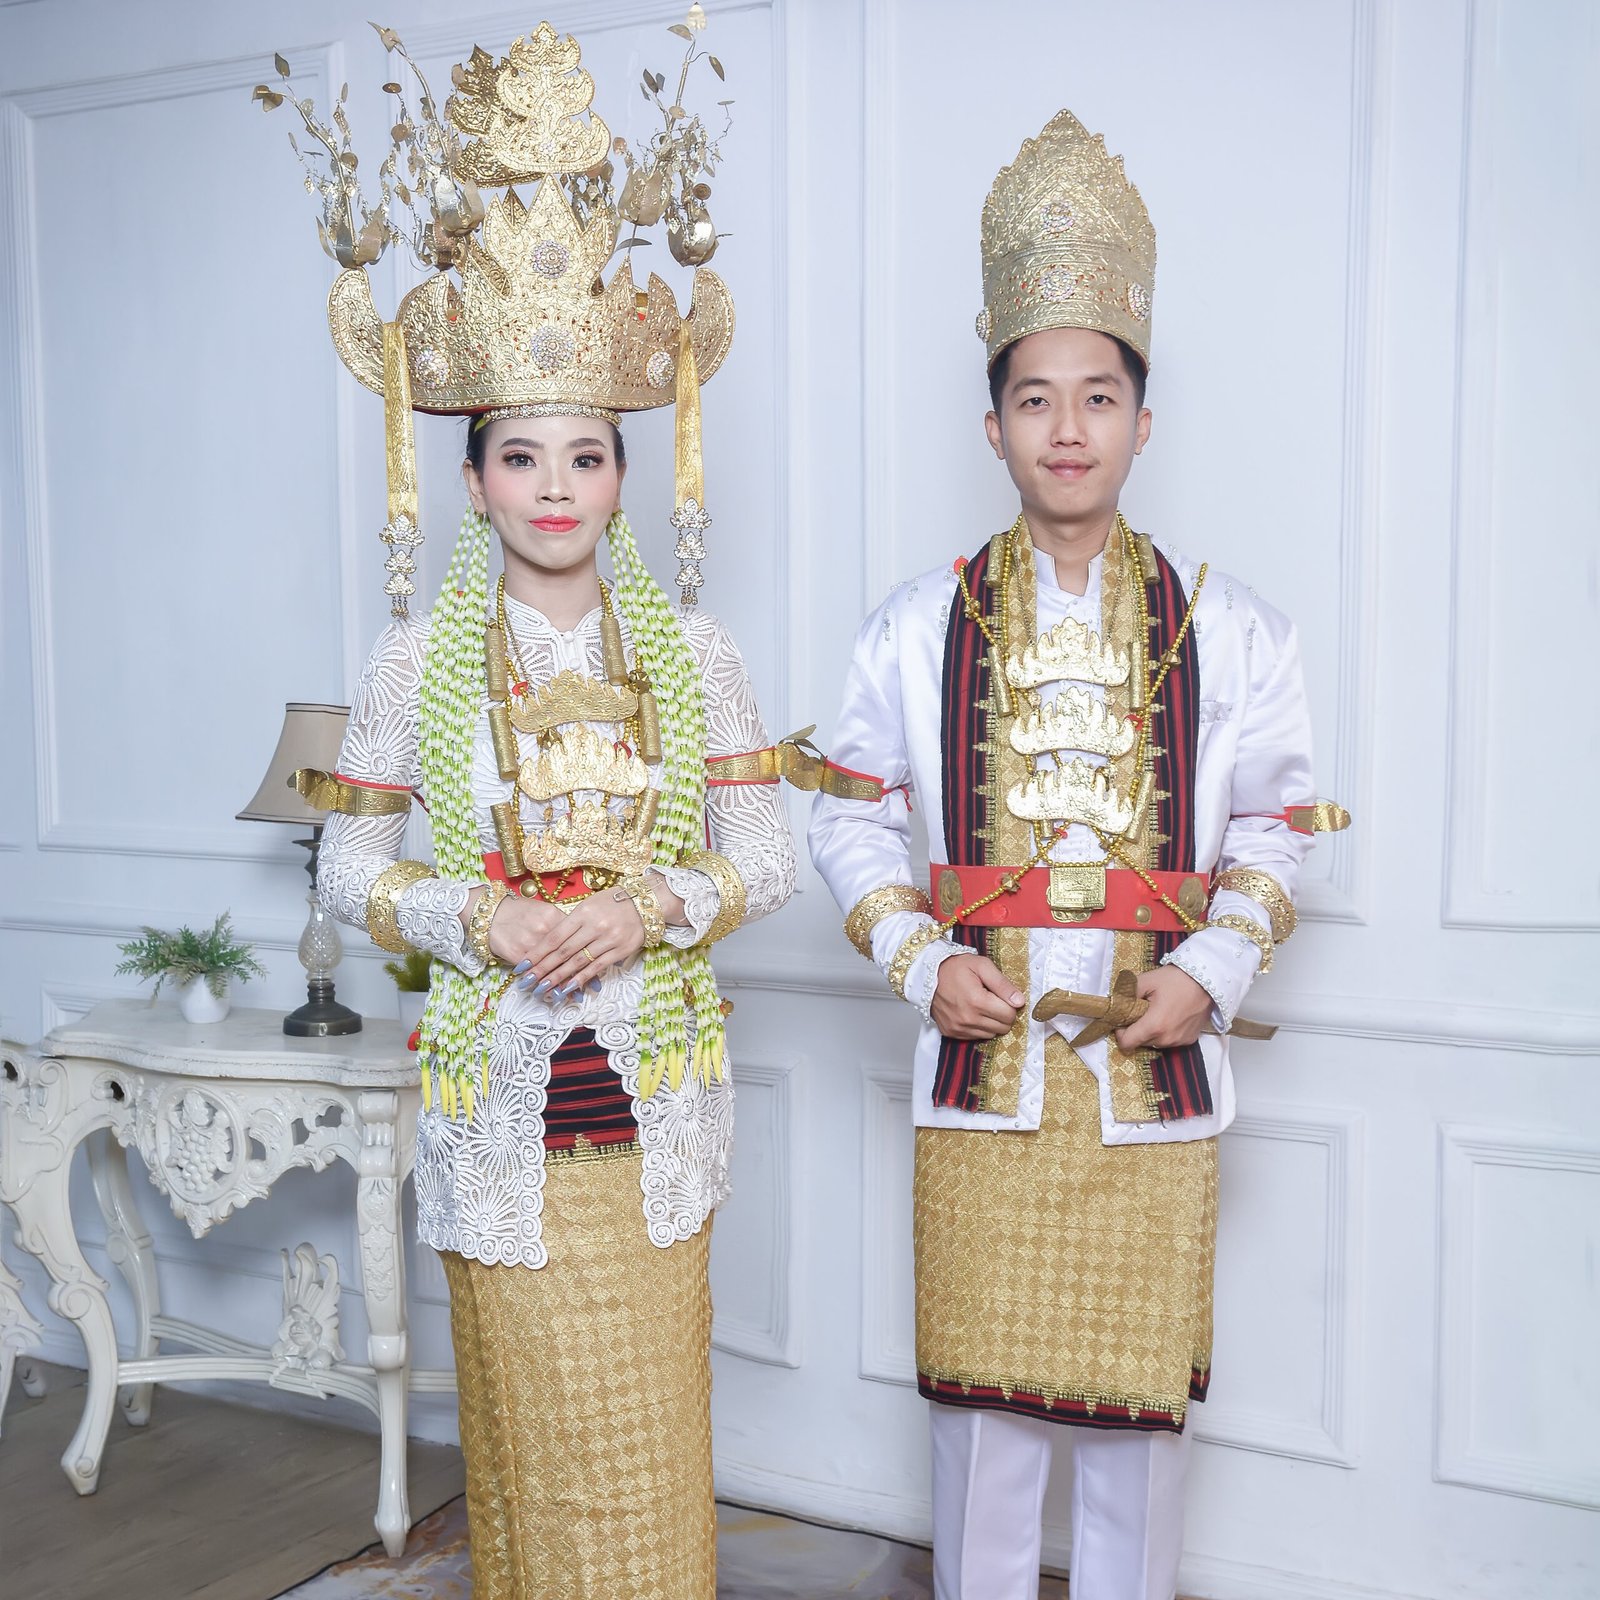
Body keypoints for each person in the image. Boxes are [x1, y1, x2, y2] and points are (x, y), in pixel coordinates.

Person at [265, 18, 797, 1599]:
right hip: (494, 1096)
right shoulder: (411, 662)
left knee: (647, 1444)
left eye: (586, 455)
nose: (555, 485)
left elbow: (767, 855)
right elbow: (349, 869)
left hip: (656, 1103)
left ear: (627, 475)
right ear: (472, 478)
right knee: (529, 1443)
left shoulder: (697, 652)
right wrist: (480, 916)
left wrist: (646, 908)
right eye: (520, 456)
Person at [808, 110, 1348, 1600]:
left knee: (1134, 1438)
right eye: (1034, 397)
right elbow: (847, 811)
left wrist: (1213, 974)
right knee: (981, 1433)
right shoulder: (913, 627)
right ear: (991, 425)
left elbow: (1275, 825)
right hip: (983, 1081)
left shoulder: (1236, 630)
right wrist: (917, 960)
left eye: (1098, 397)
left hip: (1150, 1081)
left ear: (1141, 422)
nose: (1067, 427)